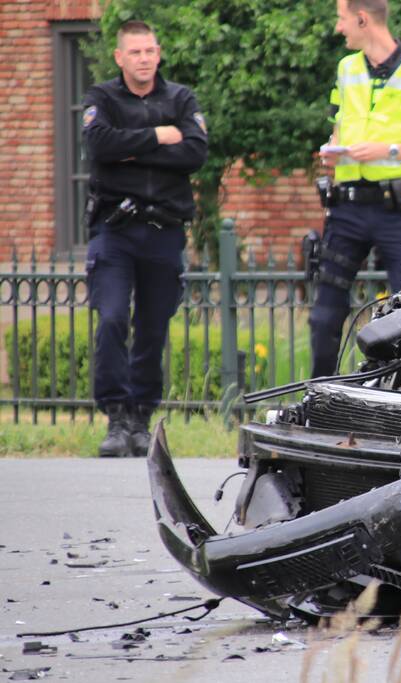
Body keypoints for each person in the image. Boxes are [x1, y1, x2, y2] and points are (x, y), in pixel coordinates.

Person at [310, 0, 401, 378]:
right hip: (347, 209)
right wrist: (332, 152)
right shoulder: (347, 69)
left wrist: (388, 150)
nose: (338, 27)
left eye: (342, 19)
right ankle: (319, 395)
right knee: (324, 315)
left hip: (400, 211)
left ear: (362, 19)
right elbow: (340, 130)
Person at [82, 20, 208, 457]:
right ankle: (116, 417)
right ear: (120, 57)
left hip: (163, 230)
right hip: (114, 231)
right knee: (113, 318)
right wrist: (157, 136)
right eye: (135, 52)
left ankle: (140, 416)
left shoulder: (180, 98)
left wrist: (130, 151)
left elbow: (194, 152)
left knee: (153, 327)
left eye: (150, 51)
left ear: (158, 54)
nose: (144, 59)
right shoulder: (102, 98)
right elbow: (99, 147)